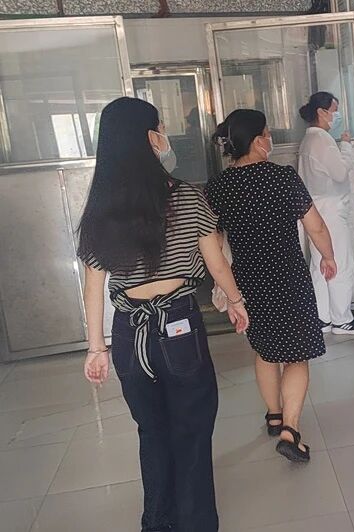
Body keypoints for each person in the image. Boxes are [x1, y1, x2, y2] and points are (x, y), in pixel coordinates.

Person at [78, 97, 249, 532]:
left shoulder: (100, 208)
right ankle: (196, 524)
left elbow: (93, 286)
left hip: (129, 334)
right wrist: (235, 301)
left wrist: (96, 348)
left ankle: (157, 523)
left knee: (151, 431)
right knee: (192, 430)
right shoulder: (187, 196)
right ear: (150, 139)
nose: (165, 136)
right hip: (179, 326)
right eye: (161, 127)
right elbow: (217, 264)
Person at [206, 109, 337, 462]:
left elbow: (213, 243)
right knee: (296, 354)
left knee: (265, 351)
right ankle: (290, 430)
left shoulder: (218, 187)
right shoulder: (282, 177)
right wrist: (327, 256)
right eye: (266, 133)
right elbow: (315, 225)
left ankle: (274, 416)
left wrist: (226, 287)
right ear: (256, 141)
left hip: (248, 281)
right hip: (288, 277)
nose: (269, 139)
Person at [298, 92, 354, 335]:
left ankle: (323, 317)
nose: (337, 115)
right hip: (330, 211)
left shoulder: (308, 140)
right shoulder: (322, 140)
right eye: (334, 110)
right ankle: (342, 319)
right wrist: (346, 147)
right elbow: (339, 173)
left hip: (315, 209)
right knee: (340, 264)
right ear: (322, 112)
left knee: (320, 266)